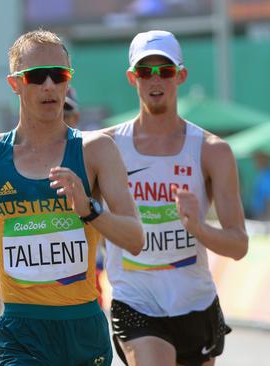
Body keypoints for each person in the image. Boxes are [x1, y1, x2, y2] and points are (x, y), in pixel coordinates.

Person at [0, 29, 144, 365]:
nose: (48, 86)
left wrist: (89, 210)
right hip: (21, 329)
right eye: (36, 77)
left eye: (58, 76)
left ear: (67, 81)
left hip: (82, 326)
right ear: (15, 83)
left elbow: (134, 239)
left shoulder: (96, 151)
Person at [102, 30, 249, 366]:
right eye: (145, 72)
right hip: (134, 301)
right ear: (132, 78)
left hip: (194, 303)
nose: (156, 80)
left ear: (180, 75)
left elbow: (238, 245)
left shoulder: (212, 151)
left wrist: (198, 227)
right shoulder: (106, 148)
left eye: (165, 71)